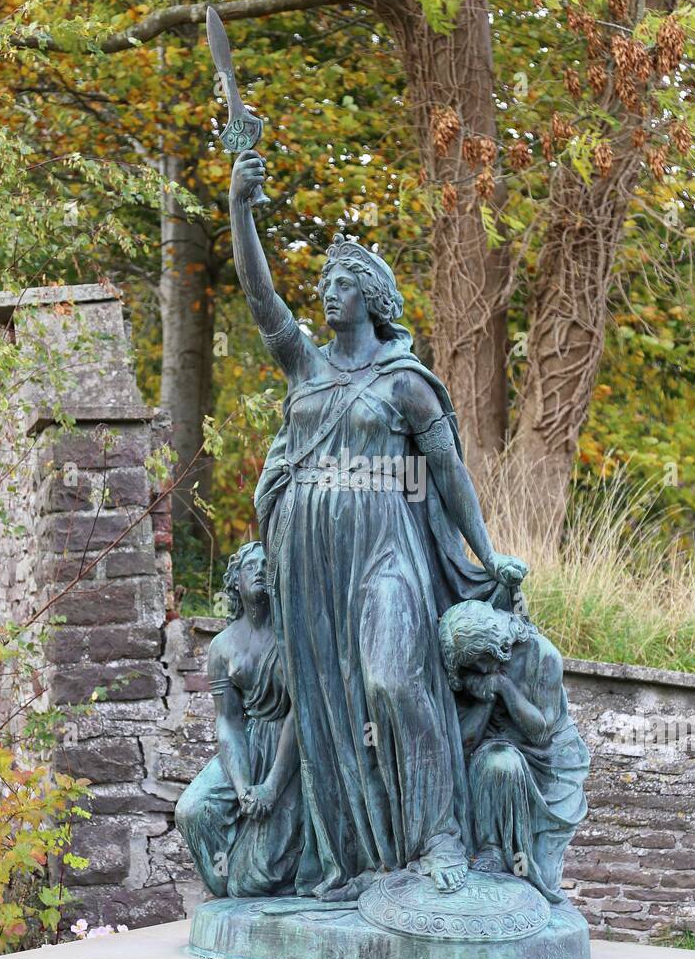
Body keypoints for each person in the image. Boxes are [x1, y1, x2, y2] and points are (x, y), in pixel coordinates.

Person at [230, 147, 526, 899]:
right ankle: (354, 858)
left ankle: (439, 838)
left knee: (392, 681)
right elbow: (260, 298)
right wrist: (240, 207)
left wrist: (485, 556)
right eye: (323, 282)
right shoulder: (303, 364)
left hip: (386, 550)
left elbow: (449, 473)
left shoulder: (405, 382)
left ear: (373, 293)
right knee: (330, 700)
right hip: (308, 557)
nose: (328, 292)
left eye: (342, 281)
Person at [438, 599, 590, 904]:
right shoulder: (472, 671)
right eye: (471, 665)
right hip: (497, 757)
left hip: (550, 759)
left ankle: (525, 874)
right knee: (500, 763)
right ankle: (491, 846)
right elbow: (463, 745)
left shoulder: (542, 655)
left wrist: (503, 688)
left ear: (495, 646)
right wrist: (485, 699)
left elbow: (541, 732)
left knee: (543, 882)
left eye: (480, 660)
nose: (477, 669)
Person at [175, 542, 304, 897]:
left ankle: (249, 887)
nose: (261, 569)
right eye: (251, 566)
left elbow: (300, 712)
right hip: (247, 743)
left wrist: (271, 787)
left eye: (268, 563)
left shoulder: (295, 634)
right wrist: (243, 786)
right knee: (192, 810)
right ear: (235, 582)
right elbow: (228, 723)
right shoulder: (223, 646)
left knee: (259, 877)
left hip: (291, 747)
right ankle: (223, 895)